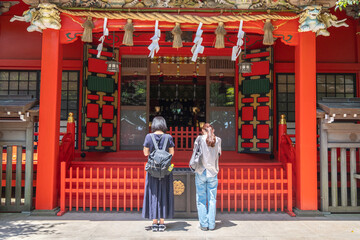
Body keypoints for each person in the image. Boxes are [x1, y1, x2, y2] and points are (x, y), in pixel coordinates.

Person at [142, 116, 175, 232]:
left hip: (152, 170)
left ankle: (154, 222)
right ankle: (162, 222)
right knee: (164, 193)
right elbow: (172, 153)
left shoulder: (148, 137)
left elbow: (146, 153)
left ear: (154, 125)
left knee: (153, 193)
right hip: (165, 171)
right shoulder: (169, 137)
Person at [192, 123, 221, 231]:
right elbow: (218, 154)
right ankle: (212, 224)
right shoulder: (218, 140)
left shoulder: (199, 139)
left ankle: (204, 224)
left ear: (203, 130)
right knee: (212, 199)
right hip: (213, 172)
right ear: (212, 130)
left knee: (201, 199)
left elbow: (195, 153)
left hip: (201, 171)